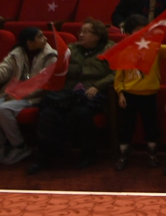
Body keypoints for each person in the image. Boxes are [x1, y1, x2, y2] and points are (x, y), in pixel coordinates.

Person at [29, 19, 114, 174]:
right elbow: (59, 70)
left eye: (86, 32)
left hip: (93, 92)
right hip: (69, 92)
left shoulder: (110, 49)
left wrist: (98, 85)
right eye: (80, 31)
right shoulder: (71, 49)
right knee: (48, 112)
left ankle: (88, 154)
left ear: (97, 36)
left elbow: (117, 73)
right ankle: (44, 157)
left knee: (80, 112)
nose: (81, 34)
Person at [0, 27, 58, 165]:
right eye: (40, 36)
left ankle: (20, 146)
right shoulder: (16, 54)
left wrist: (18, 95)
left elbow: (43, 83)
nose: (45, 39)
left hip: (33, 97)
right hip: (11, 94)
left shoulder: (51, 56)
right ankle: (4, 145)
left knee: (3, 109)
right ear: (30, 43)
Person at [114, 27, 166, 171]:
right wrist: (120, 93)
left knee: (151, 126)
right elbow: (119, 78)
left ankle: (152, 154)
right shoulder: (124, 52)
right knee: (126, 127)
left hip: (149, 95)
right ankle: (123, 155)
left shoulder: (155, 49)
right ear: (128, 34)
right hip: (129, 95)